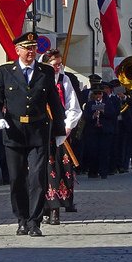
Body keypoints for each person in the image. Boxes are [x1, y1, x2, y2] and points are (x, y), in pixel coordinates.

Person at [0, 33, 65, 237]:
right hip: (14, 132)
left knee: (38, 177)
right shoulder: (6, 71)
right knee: (17, 178)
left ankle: (34, 221)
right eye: (26, 48)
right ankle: (21, 219)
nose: (31, 52)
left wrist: (59, 130)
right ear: (17, 50)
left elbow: (54, 102)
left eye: (33, 48)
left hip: (38, 131)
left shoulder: (45, 71)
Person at [41, 50, 82, 224]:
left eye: (59, 64)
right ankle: (43, 208)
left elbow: (73, 106)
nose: (58, 67)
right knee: (42, 171)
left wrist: (67, 127)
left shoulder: (64, 81)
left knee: (58, 171)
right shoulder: (38, 81)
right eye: (55, 64)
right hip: (41, 133)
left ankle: (55, 210)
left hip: (60, 133)